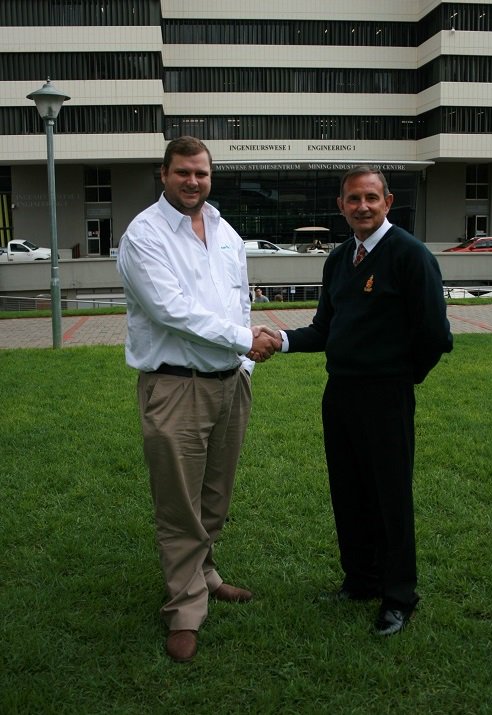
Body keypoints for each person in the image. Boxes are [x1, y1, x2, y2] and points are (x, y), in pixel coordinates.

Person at [256, 165, 452, 635]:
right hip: (339, 393)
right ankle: (360, 579)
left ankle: (400, 595)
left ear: (388, 202)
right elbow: (326, 327)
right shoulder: (340, 258)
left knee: (390, 496)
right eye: (352, 199)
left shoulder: (411, 255)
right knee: (348, 491)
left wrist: (403, 378)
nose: (362, 206)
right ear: (342, 206)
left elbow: (434, 335)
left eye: (371, 198)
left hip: (386, 395)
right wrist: (279, 339)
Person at [117, 136, 280, 663]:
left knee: (215, 495)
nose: (193, 181)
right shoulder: (143, 235)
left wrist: (246, 361)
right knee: (178, 501)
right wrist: (243, 340)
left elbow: (238, 298)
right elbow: (172, 311)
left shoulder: (224, 229)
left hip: (230, 383)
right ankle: (185, 607)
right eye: (183, 172)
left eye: (201, 174)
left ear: (211, 177)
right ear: (163, 174)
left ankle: (205, 572)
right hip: (175, 385)